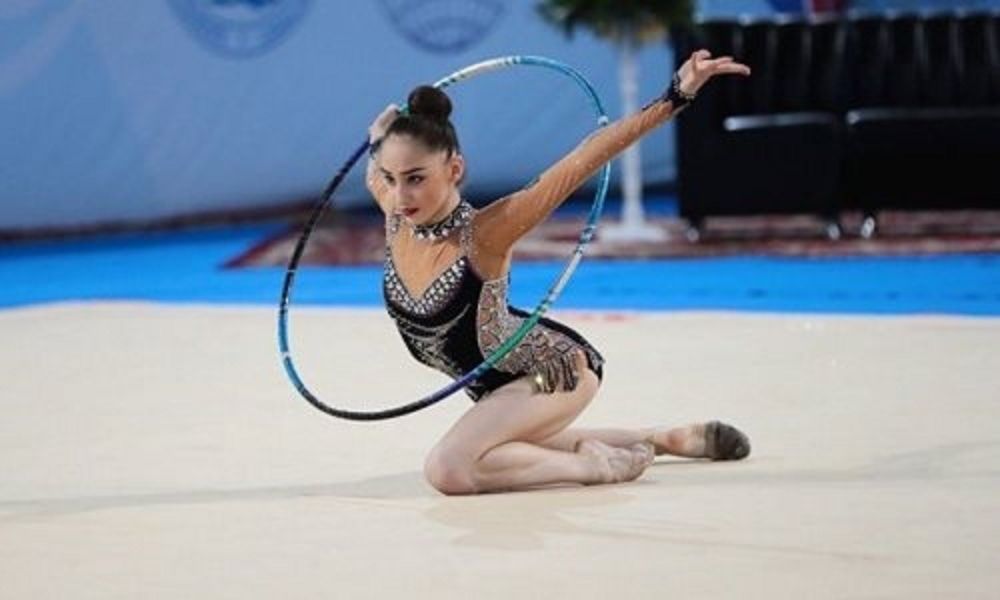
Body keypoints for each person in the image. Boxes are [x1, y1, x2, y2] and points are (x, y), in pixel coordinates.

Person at [366, 50, 752, 495]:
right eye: (391, 178)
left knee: (448, 469)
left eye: (416, 178)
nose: (400, 195)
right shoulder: (397, 215)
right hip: (499, 390)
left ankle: (599, 467)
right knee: (492, 452)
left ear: (454, 169)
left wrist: (675, 96)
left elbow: (584, 158)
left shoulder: (487, 232)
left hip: (553, 372)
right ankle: (662, 438)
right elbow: (376, 170)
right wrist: (377, 139)